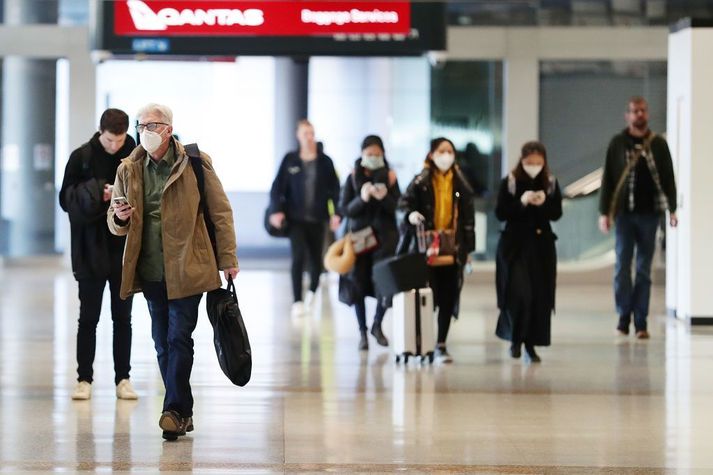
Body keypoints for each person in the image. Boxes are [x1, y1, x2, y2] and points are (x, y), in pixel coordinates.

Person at [107, 103, 239, 441]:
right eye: (141, 125)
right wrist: (120, 217)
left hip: (188, 265)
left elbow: (220, 212)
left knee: (179, 337)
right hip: (150, 267)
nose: (144, 131)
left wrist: (228, 258)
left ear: (167, 128)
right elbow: (115, 221)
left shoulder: (194, 162)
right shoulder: (129, 168)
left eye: (151, 125)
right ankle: (183, 409)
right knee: (161, 342)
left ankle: (174, 411)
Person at [59, 108, 137, 401]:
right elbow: (65, 199)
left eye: (119, 140)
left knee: (123, 318)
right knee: (88, 317)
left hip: (124, 249)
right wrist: (97, 192)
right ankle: (84, 379)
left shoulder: (136, 155)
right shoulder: (82, 157)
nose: (114, 146)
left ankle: (123, 378)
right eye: (109, 140)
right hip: (90, 248)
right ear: (100, 132)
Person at [598, 96, 678, 339]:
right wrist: (605, 212)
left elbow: (668, 177)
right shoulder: (617, 143)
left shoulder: (658, 145)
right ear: (627, 115)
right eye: (634, 111)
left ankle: (641, 322)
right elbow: (608, 179)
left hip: (650, 214)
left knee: (643, 269)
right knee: (622, 267)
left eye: (642, 110)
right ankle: (624, 316)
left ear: (647, 114)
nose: (638, 115)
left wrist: (672, 209)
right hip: (624, 215)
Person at [399, 137, 475, 363]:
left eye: (450, 151)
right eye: (441, 151)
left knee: (448, 296)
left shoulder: (460, 182)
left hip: (452, 247)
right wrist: (410, 215)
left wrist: (468, 249)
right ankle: (424, 342)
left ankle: (441, 343)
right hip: (426, 248)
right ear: (431, 154)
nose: (446, 156)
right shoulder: (421, 181)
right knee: (426, 296)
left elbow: (468, 218)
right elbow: (404, 204)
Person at [495, 141, 562, 363]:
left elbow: (556, 213)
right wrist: (521, 203)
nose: (534, 166)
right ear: (521, 161)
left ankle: (530, 345)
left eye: (538, 162)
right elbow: (500, 212)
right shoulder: (511, 182)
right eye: (529, 162)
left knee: (538, 296)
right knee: (519, 294)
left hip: (541, 247)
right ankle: (515, 338)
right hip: (515, 247)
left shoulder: (550, 183)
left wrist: (543, 203)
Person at [268, 120, 341, 316]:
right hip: (295, 219)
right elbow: (277, 188)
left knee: (316, 260)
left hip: (318, 219)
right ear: (298, 135)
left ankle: (312, 292)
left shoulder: (325, 162)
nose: (309, 137)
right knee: (298, 256)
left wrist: (337, 214)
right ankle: (297, 301)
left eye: (312, 133)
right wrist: (277, 210)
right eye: (305, 133)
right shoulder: (290, 160)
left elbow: (335, 190)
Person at [338, 135, 401, 351]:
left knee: (385, 283)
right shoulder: (353, 177)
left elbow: (398, 207)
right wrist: (362, 198)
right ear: (362, 154)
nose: (373, 158)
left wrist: (384, 197)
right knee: (358, 285)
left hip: (385, 239)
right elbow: (345, 209)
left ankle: (377, 324)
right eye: (369, 154)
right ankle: (362, 332)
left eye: (377, 154)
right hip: (360, 239)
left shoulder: (391, 177)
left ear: (383, 154)